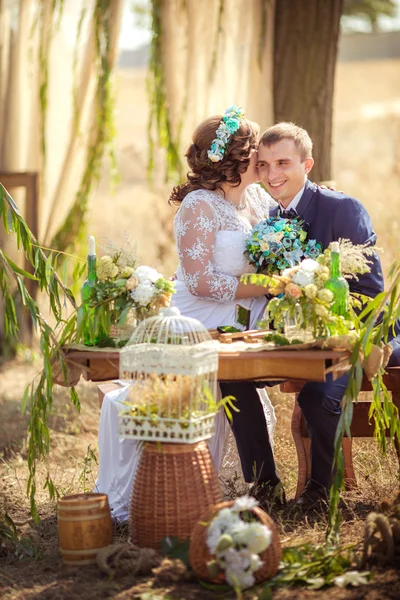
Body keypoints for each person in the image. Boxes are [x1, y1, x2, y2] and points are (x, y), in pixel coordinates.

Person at [255, 121, 400, 510]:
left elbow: (370, 294)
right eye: (264, 164)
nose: (273, 174)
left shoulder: (342, 208)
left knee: (319, 394)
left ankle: (322, 491)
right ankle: (263, 488)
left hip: (364, 332)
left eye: (283, 162)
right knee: (237, 381)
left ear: (308, 164)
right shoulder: (270, 221)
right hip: (306, 339)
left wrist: (321, 308)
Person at [170, 106, 286, 503]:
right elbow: (200, 280)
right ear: (239, 155)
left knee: (245, 363)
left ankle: (267, 480)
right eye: (258, 150)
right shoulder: (198, 206)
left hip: (245, 312)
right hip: (200, 313)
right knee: (231, 369)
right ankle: (264, 482)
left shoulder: (255, 197)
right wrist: (262, 287)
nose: (264, 157)